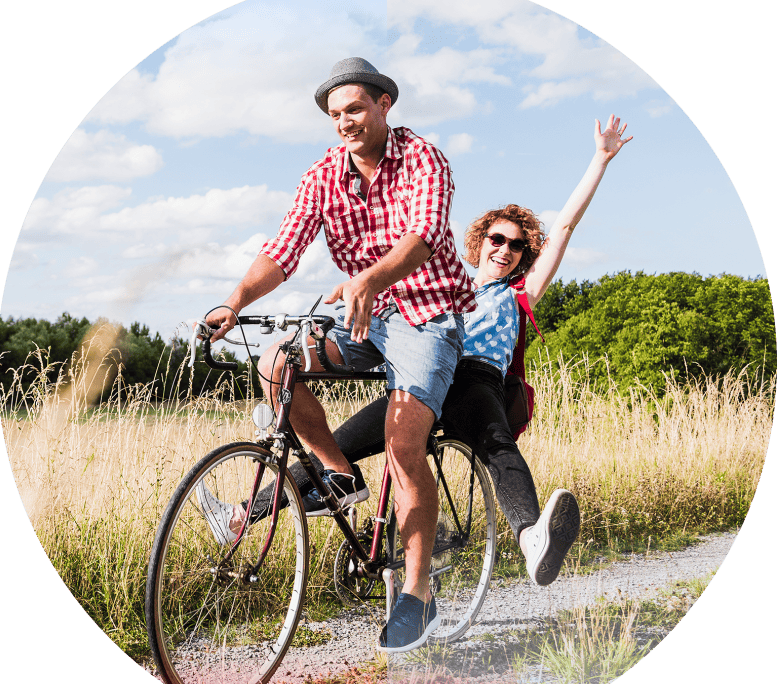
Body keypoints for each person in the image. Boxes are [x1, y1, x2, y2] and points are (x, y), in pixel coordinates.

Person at [267, 114, 633, 623]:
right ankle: (248, 512)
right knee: (336, 450)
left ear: (525, 254)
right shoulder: (446, 282)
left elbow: (565, 227)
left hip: (474, 379)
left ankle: (532, 537)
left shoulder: (519, 293)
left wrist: (600, 160)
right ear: (480, 242)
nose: (505, 250)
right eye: (497, 240)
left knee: (494, 442)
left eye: (517, 245)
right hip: (422, 373)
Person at [200, 57, 476, 653]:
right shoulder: (323, 174)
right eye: (335, 115)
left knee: (404, 446)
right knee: (275, 362)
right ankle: (340, 474)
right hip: (361, 315)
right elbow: (284, 248)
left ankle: (418, 592)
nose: (345, 122)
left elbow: (424, 236)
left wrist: (369, 279)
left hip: (426, 314)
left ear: (383, 105)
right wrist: (234, 300)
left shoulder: (423, 158)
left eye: (355, 108)